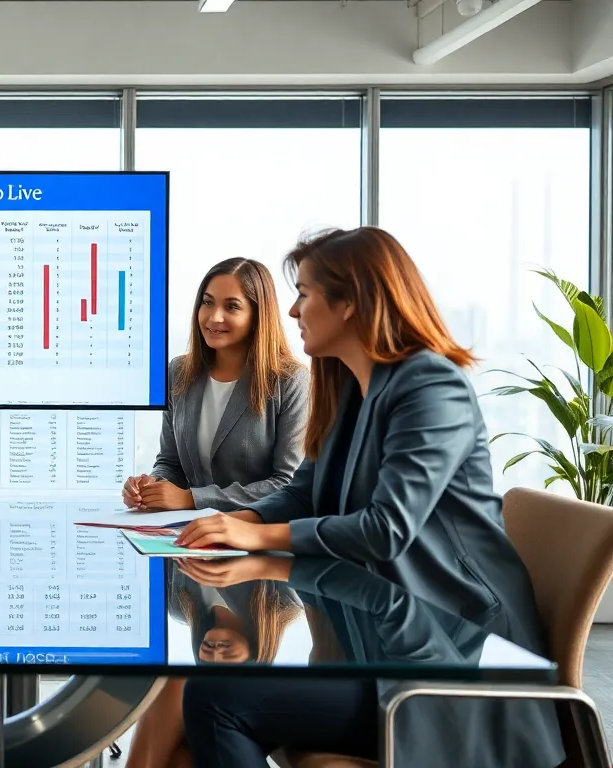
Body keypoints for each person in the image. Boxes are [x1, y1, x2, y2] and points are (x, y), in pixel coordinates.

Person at [174, 227, 563, 768]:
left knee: (216, 698)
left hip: (450, 658)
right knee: (188, 696)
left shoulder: (432, 387)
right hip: (380, 633)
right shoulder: (350, 387)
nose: (291, 311)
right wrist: (236, 520)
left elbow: (386, 528)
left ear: (350, 303)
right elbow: (306, 492)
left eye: (305, 294)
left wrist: (257, 535)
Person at [123, 257, 307, 514]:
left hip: (257, 535)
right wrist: (151, 487)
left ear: (257, 315)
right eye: (207, 303)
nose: (213, 317)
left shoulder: (290, 381)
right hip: (190, 536)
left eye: (231, 307)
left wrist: (192, 499)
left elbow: (287, 484)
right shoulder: (179, 372)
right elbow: (170, 462)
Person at [126, 562, 302, 768]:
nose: (216, 655)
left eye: (207, 665)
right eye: (230, 666)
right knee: (181, 686)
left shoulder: (178, 603)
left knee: (184, 755)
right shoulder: (283, 600)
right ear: (259, 656)